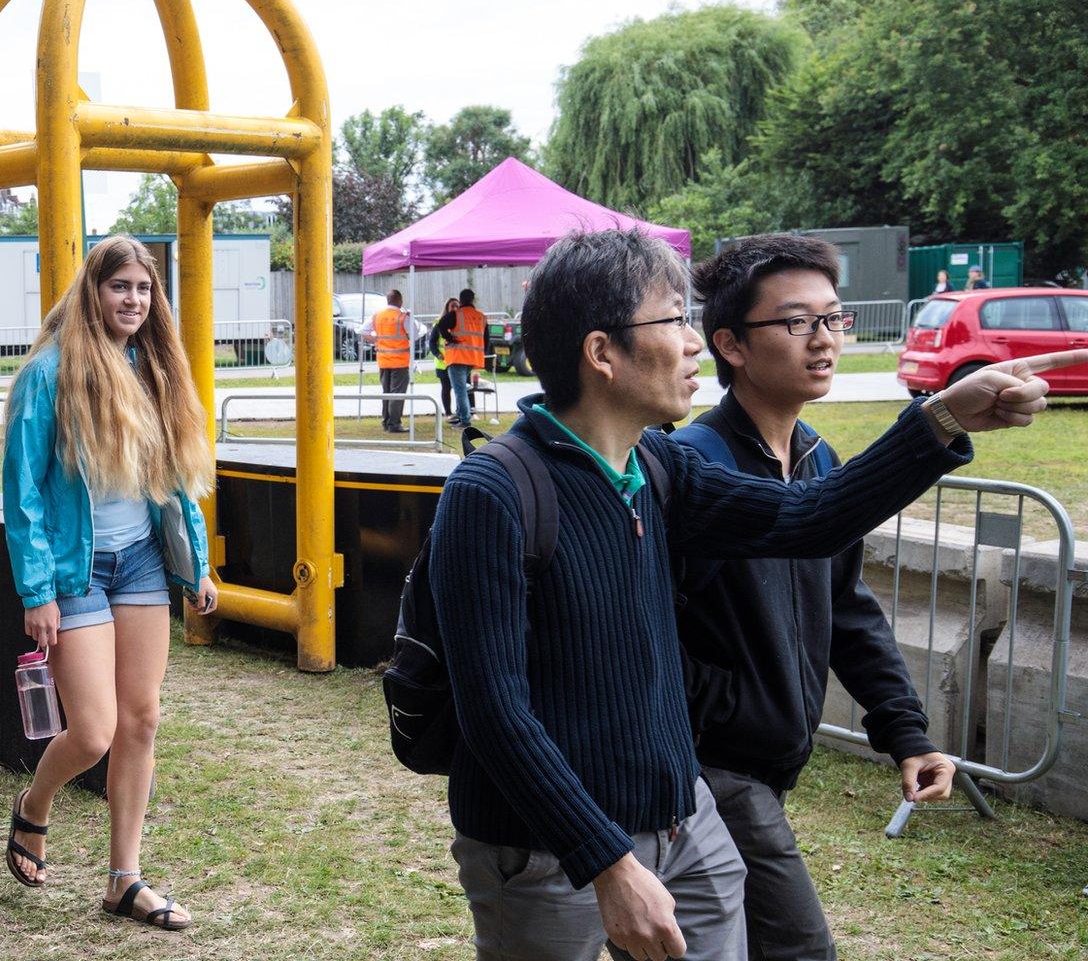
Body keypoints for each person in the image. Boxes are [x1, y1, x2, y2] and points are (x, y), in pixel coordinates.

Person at [426, 228, 1079, 961]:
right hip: (542, 849)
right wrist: (606, 862)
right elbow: (496, 712)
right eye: (673, 321)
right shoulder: (493, 493)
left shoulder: (659, 465)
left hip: (683, 820)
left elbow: (811, 517)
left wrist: (943, 418)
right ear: (602, 353)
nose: (694, 342)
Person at [677, 235, 952, 960]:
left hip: (764, 762)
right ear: (730, 344)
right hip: (713, 766)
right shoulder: (696, 469)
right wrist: (723, 709)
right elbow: (650, 628)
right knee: (800, 950)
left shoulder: (817, 460)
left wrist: (907, 733)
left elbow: (850, 608)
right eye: (798, 322)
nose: (824, 340)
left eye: (835, 319)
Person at [0, 234, 217, 932]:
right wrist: (37, 591)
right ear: (92, 292)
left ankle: (125, 881)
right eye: (120, 286)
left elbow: (176, 479)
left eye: (144, 289)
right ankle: (35, 805)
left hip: (143, 565)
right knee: (92, 731)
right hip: (75, 570)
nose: (133, 300)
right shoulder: (51, 372)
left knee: (142, 719)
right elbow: (23, 490)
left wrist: (198, 565)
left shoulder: (154, 366)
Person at [361, 288, 417, 434]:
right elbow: (415, 335)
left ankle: (386, 421)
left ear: (388, 300)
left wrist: (376, 339)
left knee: (386, 392)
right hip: (399, 361)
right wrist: (411, 318)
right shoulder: (402, 317)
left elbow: (363, 331)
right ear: (400, 301)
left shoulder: (377, 315)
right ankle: (394, 423)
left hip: (383, 360)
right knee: (397, 393)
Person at [433, 288, 486, 427]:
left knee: (460, 390)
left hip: (457, 357)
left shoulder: (456, 315)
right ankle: (461, 414)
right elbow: (486, 338)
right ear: (473, 299)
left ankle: (465, 420)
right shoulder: (481, 316)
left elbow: (440, 325)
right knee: (462, 388)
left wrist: (450, 338)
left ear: (461, 300)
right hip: (473, 358)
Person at [430, 296, 459, 418]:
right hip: (444, 362)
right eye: (452, 306)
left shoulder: (461, 323)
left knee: (463, 388)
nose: (455, 308)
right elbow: (432, 343)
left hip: (459, 361)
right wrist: (438, 354)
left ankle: (466, 412)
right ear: (447, 307)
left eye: (457, 306)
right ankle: (448, 412)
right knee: (446, 388)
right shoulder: (439, 323)